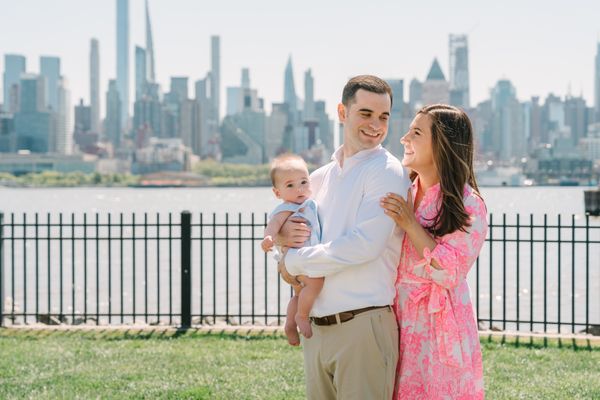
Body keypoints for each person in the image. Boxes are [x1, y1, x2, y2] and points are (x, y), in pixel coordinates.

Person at [278, 75, 411, 399]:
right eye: (366, 113)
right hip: (317, 330)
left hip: (363, 328)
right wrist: (284, 256)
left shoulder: (387, 171)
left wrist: (294, 262)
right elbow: (294, 238)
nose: (376, 125)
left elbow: (363, 246)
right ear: (342, 112)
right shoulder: (319, 178)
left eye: (384, 116)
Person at [380, 104, 487, 399]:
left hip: (439, 324)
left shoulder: (469, 203)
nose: (404, 139)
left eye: (415, 132)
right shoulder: (404, 191)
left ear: (442, 144)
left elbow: (450, 272)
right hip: (396, 317)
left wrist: (411, 224)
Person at [261, 153, 324, 345]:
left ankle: (289, 323)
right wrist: (269, 237)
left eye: (304, 182)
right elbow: (274, 224)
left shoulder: (308, 204)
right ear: (277, 193)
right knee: (316, 284)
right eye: (290, 185)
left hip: (299, 261)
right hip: (296, 259)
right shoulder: (286, 208)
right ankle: (302, 316)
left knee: (298, 294)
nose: (299, 189)